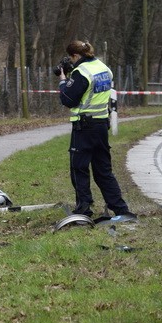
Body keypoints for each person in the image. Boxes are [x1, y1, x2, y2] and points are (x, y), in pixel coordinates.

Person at [57, 40, 135, 219]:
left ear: (76, 56)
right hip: (101, 125)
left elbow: (68, 99)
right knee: (103, 170)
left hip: (83, 127)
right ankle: (121, 208)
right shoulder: (104, 68)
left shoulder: (81, 72)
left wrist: (63, 82)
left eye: (71, 57)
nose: (71, 61)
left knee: (79, 168)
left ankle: (84, 208)